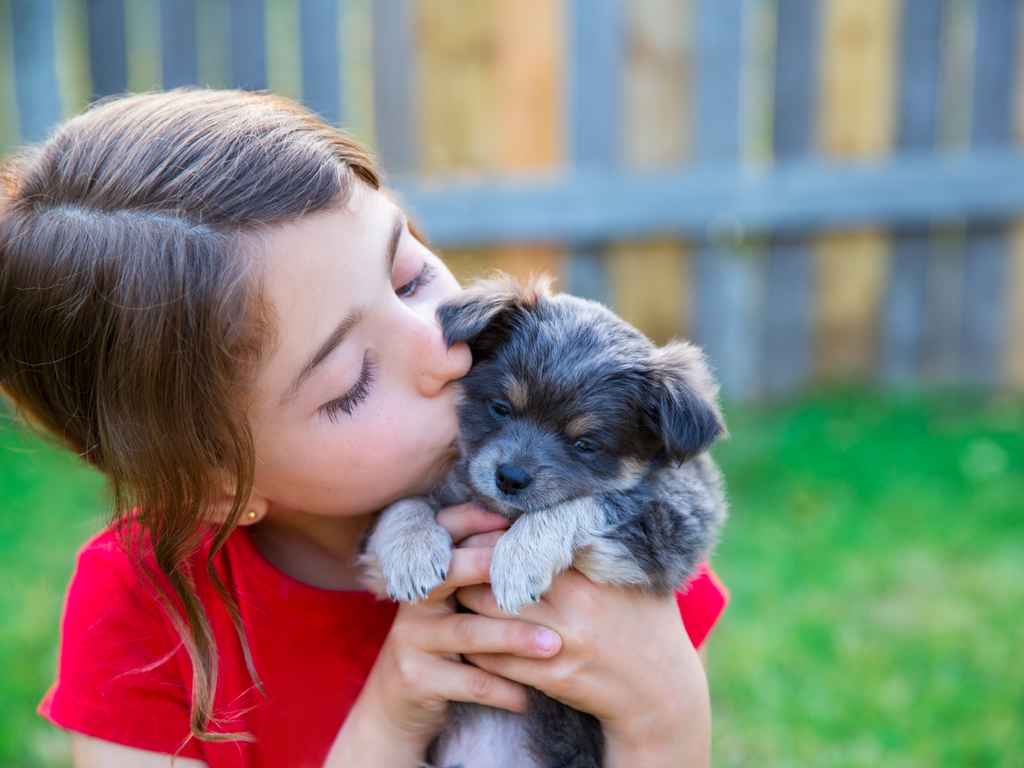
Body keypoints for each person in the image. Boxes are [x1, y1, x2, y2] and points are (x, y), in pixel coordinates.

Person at [0, 88, 728, 767]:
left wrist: (662, 708)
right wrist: (391, 715)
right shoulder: (142, 610)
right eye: (350, 384)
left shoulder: (595, 543)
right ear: (218, 484)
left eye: (410, 278)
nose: (440, 351)